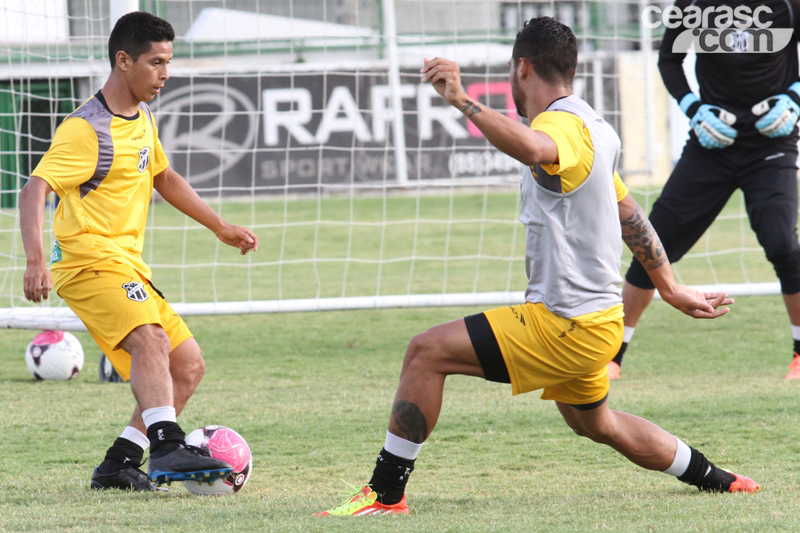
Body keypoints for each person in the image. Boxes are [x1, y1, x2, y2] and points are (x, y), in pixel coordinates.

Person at [315, 17, 758, 516]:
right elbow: (630, 213)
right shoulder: (595, 126)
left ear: (522, 68)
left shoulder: (558, 127)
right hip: (599, 322)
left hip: (566, 323)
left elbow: (533, 148)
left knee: (426, 351)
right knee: (598, 424)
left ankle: (385, 494)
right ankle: (719, 479)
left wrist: (461, 99)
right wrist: (670, 287)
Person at [20, 11, 259, 491]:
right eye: (156, 63)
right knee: (150, 340)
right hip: (88, 262)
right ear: (124, 60)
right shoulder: (85, 129)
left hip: (126, 264)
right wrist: (35, 261)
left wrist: (220, 226)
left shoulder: (143, 116)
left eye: (168, 62)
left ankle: (118, 464)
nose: (165, 74)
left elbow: (163, 176)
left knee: (186, 365)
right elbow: (34, 188)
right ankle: (168, 447)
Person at [609, 0, 800, 381]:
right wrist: (694, 109)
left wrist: (795, 97)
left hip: (770, 144)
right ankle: (612, 357)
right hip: (711, 143)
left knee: (781, 241)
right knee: (653, 243)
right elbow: (669, 60)